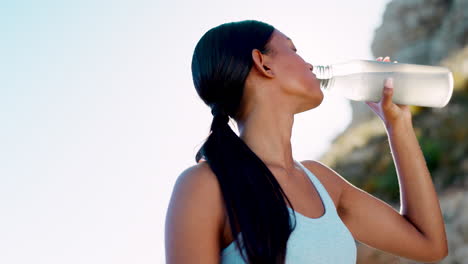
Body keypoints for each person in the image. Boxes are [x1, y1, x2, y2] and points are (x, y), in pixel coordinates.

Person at [164, 20, 448, 263]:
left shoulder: (322, 182)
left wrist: (398, 125)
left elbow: (429, 244)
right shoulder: (204, 185)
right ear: (263, 63)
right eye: (293, 49)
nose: (309, 63)